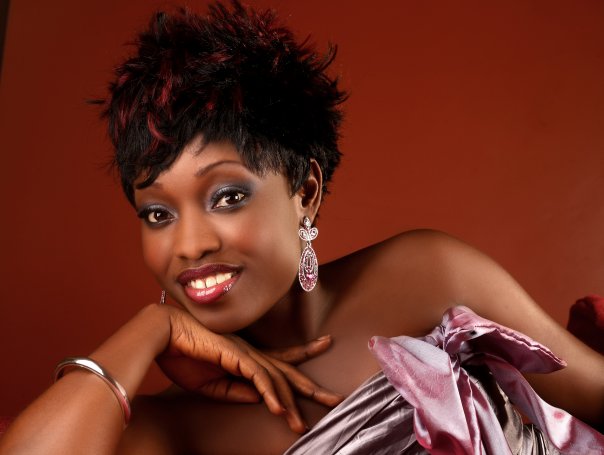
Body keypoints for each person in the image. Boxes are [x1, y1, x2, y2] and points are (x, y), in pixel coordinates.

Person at [1, 1, 603, 453]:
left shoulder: (424, 278)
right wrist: (148, 330)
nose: (189, 245)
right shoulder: (171, 425)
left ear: (305, 192)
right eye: (158, 214)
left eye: (227, 196)